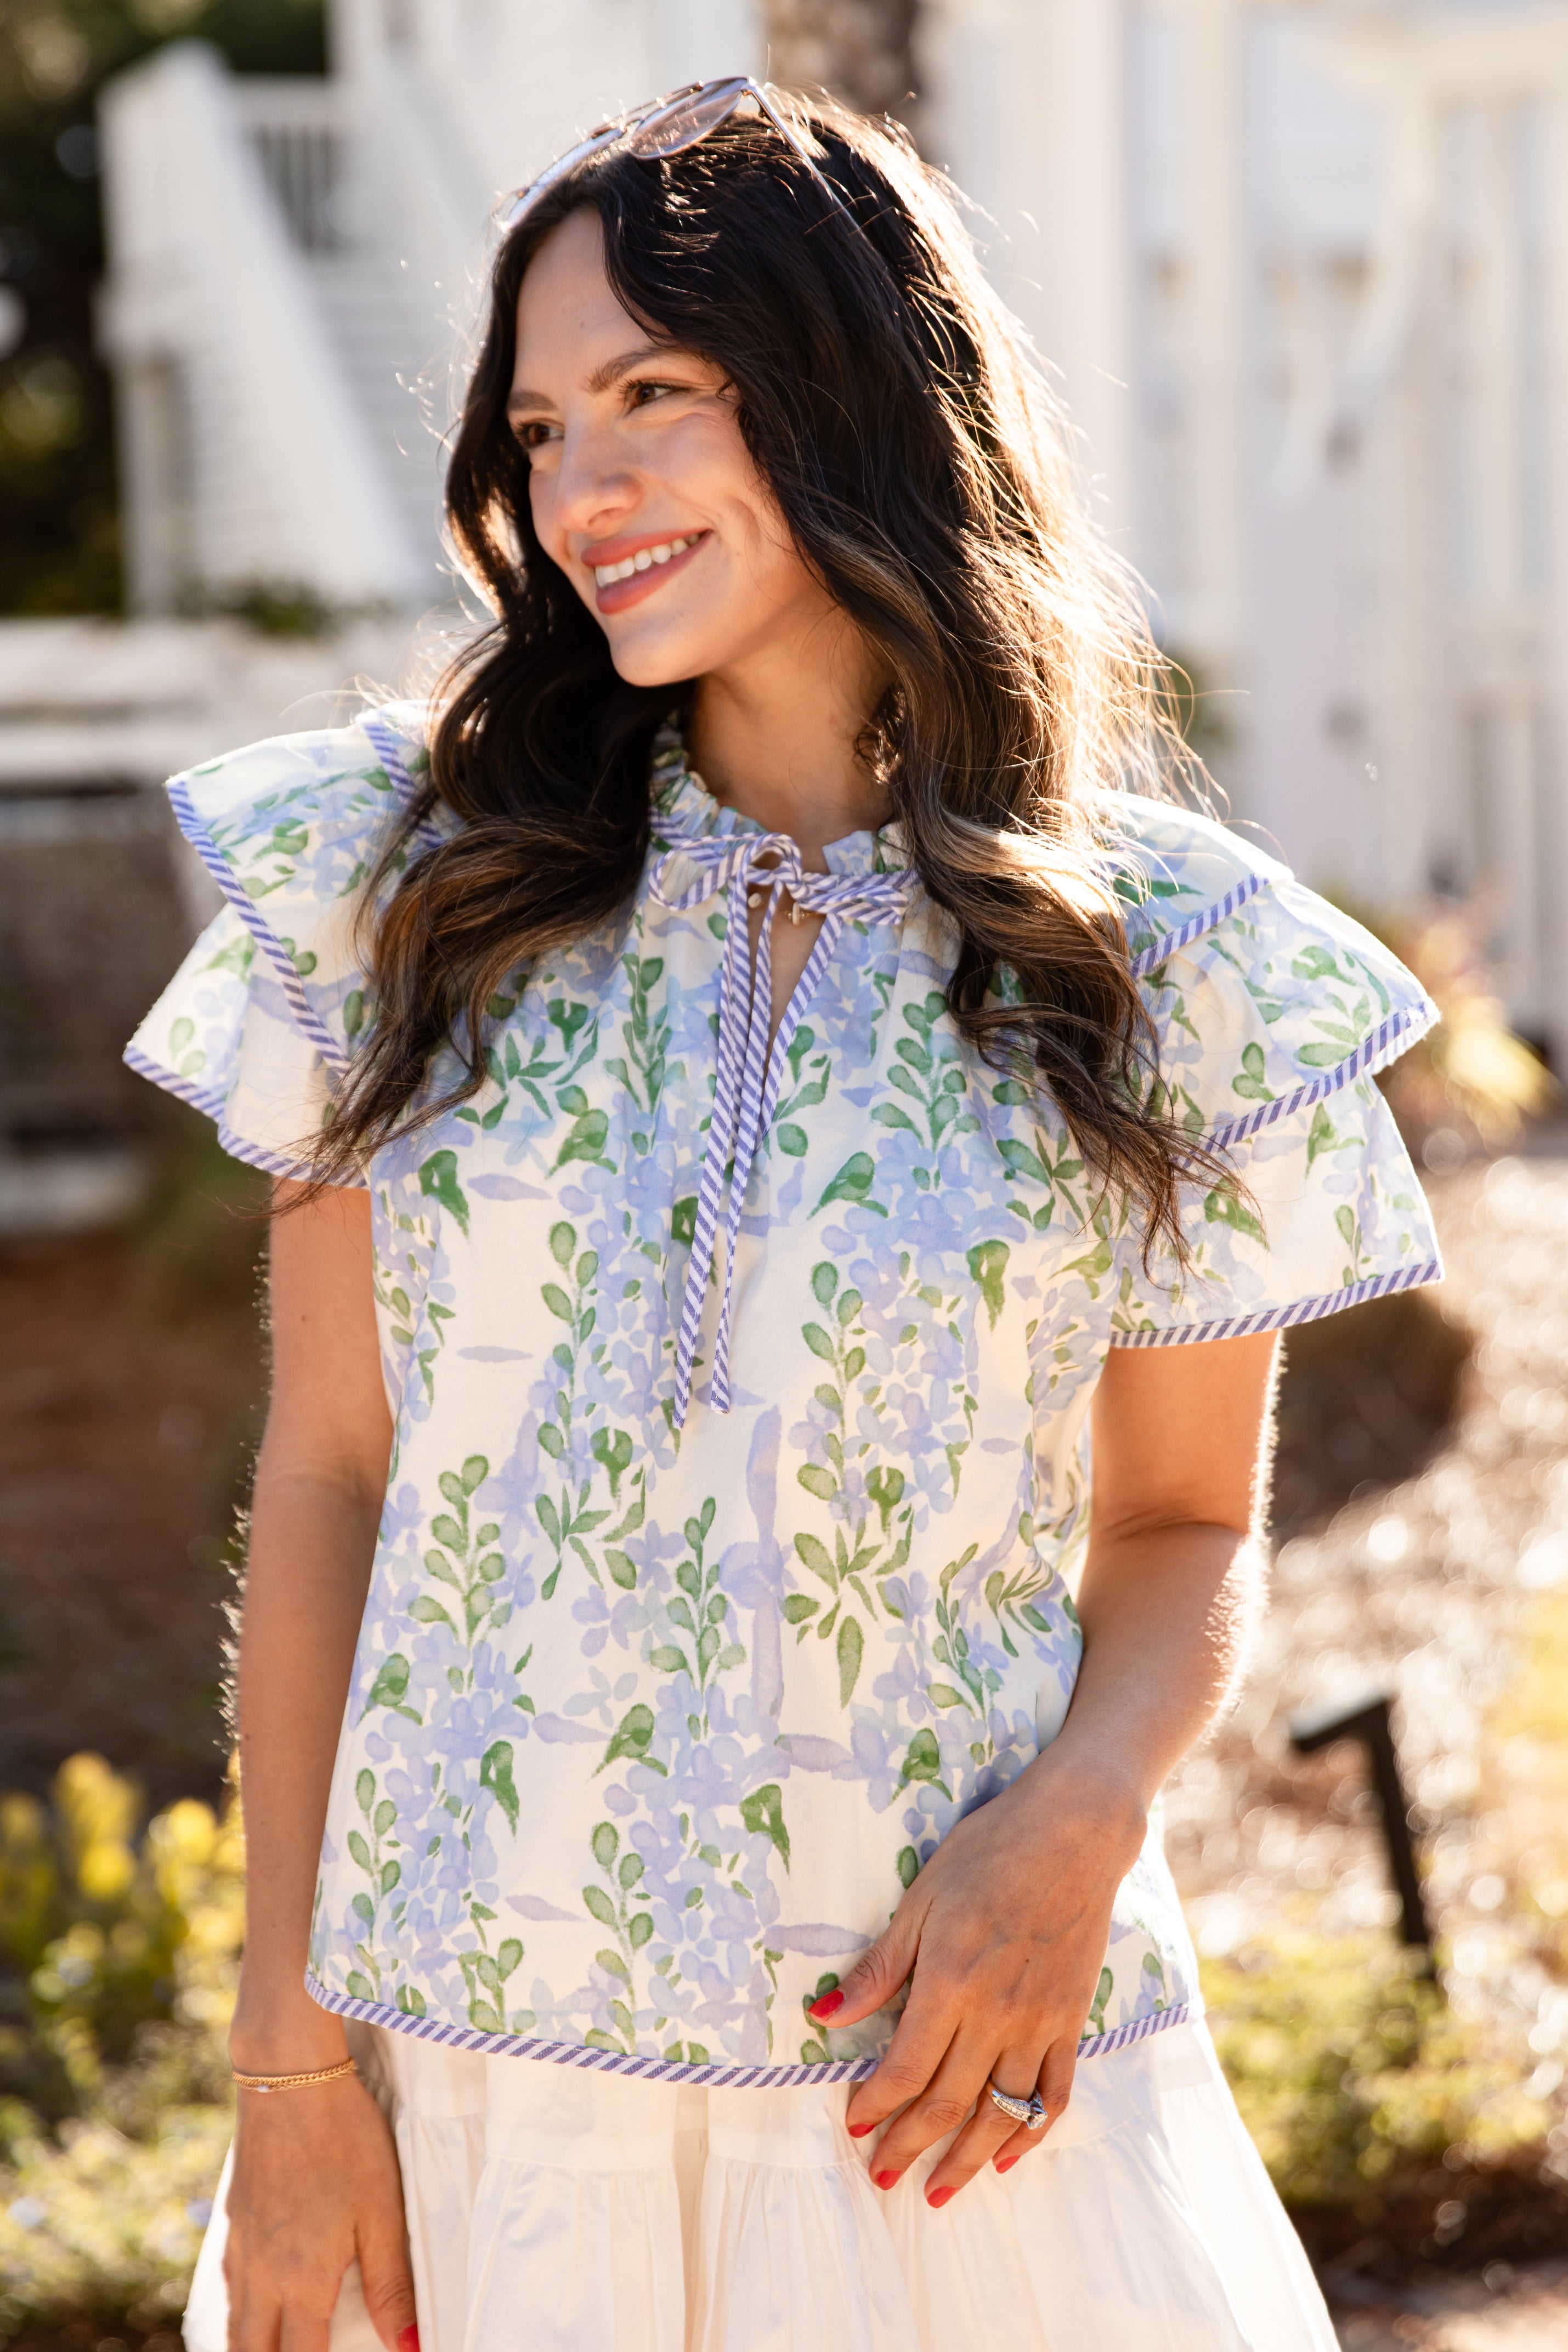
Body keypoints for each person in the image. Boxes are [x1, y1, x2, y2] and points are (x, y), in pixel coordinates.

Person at [129, 78, 1441, 2352]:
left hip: (949, 2100)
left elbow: (1179, 1535)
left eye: (654, 394)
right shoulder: (399, 902)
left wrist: (1078, 1829)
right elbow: (332, 1476)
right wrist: (290, 2064)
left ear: (846, 391)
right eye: (541, 431)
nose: (584, 490)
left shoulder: (1176, 965)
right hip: (475, 2110)